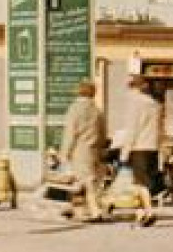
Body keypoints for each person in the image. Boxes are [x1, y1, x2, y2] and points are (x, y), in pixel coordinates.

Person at [62, 81, 110, 222]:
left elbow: (70, 133)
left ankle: (95, 212)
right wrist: (101, 149)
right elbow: (103, 133)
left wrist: (65, 152)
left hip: (80, 150)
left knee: (84, 182)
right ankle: (75, 209)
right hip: (95, 150)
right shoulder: (97, 110)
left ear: (79, 92)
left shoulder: (75, 109)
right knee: (87, 182)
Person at [119, 78, 161, 227]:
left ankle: (149, 212)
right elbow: (159, 129)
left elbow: (132, 129)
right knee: (140, 183)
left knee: (141, 183)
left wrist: (124, 152)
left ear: (134, 89)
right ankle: (140, 213)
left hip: (139, 147)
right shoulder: (155, 104)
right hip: (153, 147)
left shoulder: (136, 104)